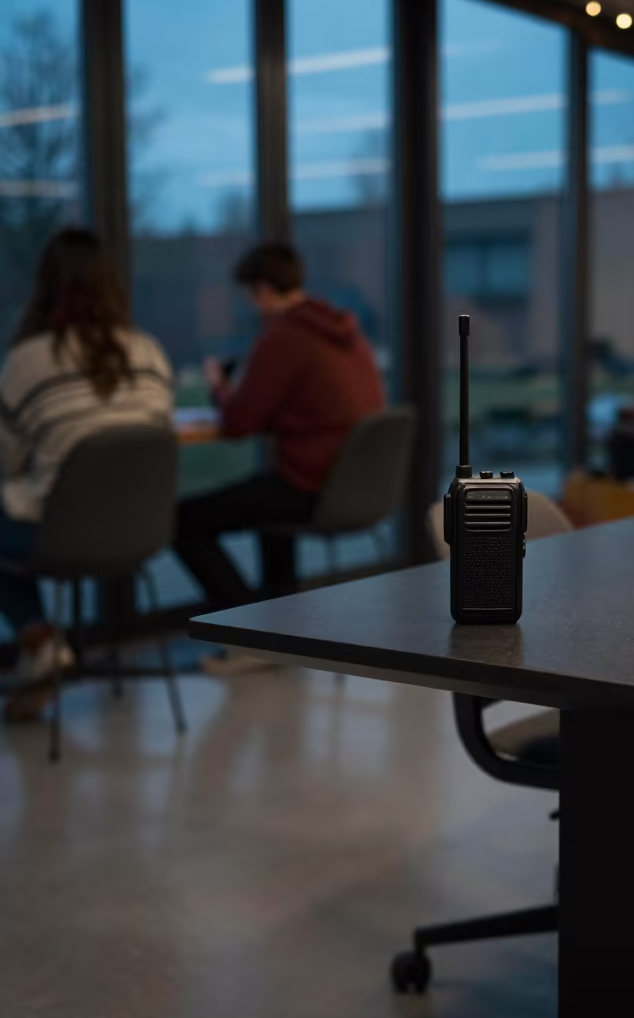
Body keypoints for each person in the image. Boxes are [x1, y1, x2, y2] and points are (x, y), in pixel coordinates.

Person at [174, 242, 385, 661]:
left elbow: (238, 424)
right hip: (354, 484)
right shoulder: (344, 329)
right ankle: (280, 630)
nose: (251, 306)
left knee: (180, 521)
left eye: (249, 296)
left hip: (309, 483)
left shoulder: (285, 336)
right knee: (267, 505)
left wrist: (219, 385)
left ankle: (252, 636)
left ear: (263, 290)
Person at [0, 228, 173, 717]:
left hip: (59, 531)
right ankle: (43, 646)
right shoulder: (151, 353)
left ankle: (39, 638)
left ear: (43, 286)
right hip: (141, 531)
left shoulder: (28, 361)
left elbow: (7, 463)